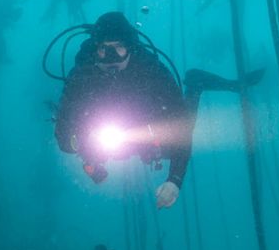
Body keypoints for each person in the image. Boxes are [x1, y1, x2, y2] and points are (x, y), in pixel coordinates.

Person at [51, 11, 259, 209]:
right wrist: (82, 141)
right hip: (111, 135)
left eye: (119, 47)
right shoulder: (82, 76)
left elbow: (181, 129)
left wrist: (174, 180)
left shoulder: (150, 71)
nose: (111, 57)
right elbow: (63, 136)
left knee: (174, 139)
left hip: (147, 126)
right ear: (95, 49)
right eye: (104, 49)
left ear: (131, 48)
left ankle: (195, 86)